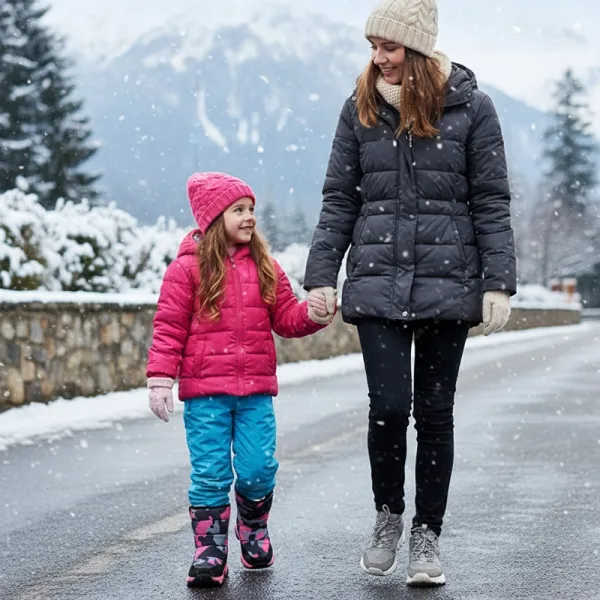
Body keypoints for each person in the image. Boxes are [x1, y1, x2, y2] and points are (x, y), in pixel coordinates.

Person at [304, 0, 517, 588]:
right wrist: (321, 275)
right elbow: (339, 198)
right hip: (377, 281)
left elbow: (491, 201)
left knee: (435, 413)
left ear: (417, 51)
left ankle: (427, 533)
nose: (379, 58)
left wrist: (498, 282)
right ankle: (388, 515)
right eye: (373, 47)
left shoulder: (473, 108)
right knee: (389, 408)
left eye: (389, 47)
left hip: (449, 282)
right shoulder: (359, 108)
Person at [146, 172, 333, 588]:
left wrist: (312, 314)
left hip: (255, 395)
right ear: (215, 218)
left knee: (257, 469)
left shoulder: (264, 265)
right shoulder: (186, 270)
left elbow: (286, 317)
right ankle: (210, 551)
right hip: (205, 397)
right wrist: (160, 378)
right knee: (210, 474)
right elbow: (169, 327)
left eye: (251, 209)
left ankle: (253, 528)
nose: (250, 217)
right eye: (239, 210)